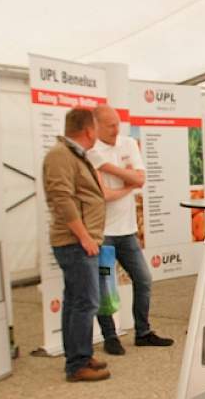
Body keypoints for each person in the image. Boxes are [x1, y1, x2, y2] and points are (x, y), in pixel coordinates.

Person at [86, 105, 173, 355]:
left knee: (144, 279)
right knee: (105, 287)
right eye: (110, 125)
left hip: (127, 230)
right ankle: (110, 336)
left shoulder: (128, 144)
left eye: (117, 124)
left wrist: (109, 170)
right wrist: (129, 183)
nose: (116, 129)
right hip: (102, 232)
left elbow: (141, 179)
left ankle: (143, 331)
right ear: (97, 126)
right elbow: (103, 194)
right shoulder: (91, 150)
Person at [42, 108, 109, 382]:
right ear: (89, 129)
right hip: (75, 243)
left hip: (80, 242)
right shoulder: (60, 156)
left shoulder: (71, 155)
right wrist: (84, 236)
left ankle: (79, 355)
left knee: (75, 301)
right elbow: (62, 199)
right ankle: (77, 364)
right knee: (85, 302)